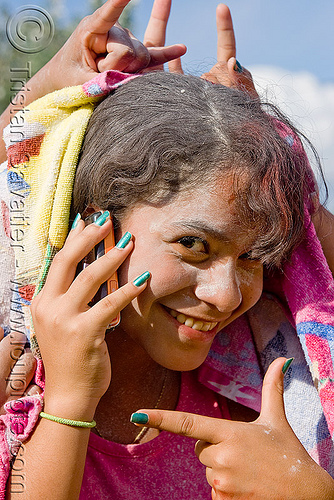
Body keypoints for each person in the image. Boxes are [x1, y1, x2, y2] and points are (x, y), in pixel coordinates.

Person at [0, 1, 334, 499]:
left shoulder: (276, 396)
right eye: (193, 245)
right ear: (94, 226)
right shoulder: (15, 380)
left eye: (253, 258)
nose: (225, 296)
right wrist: (37, 97)